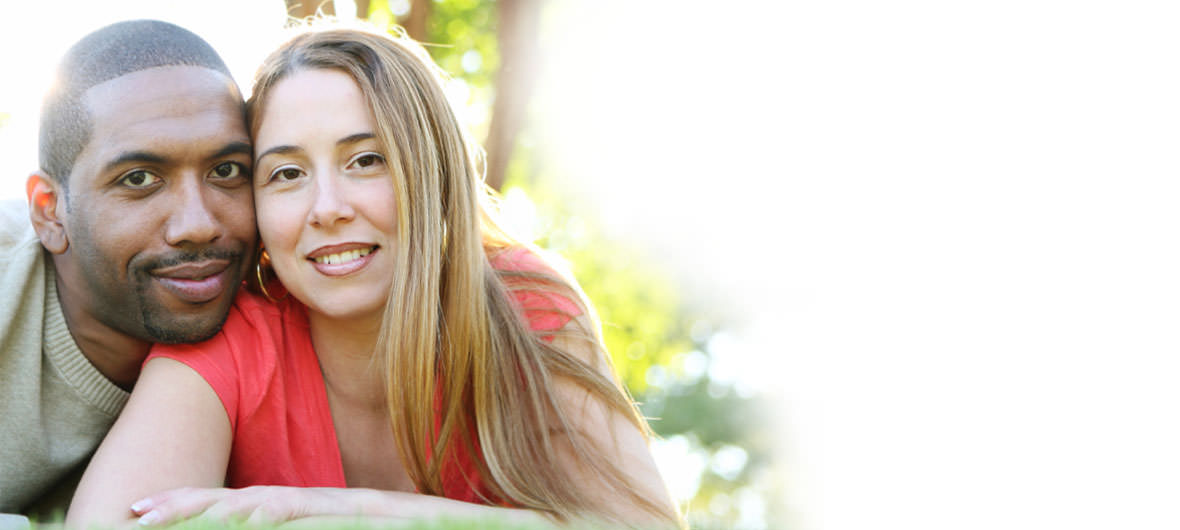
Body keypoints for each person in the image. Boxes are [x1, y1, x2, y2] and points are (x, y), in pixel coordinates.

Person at [67, 25, 681, 529]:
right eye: (286, 173)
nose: (326, 206)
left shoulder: (524, 307)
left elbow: (641, 525)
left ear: (432, 174)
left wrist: (345, 511)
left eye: (367, 160)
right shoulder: (236, 336)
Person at [0, 20, 256, 516]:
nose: (198, 225)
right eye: (139, 178)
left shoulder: (285, 305)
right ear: (50, 211)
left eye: (226, 171)